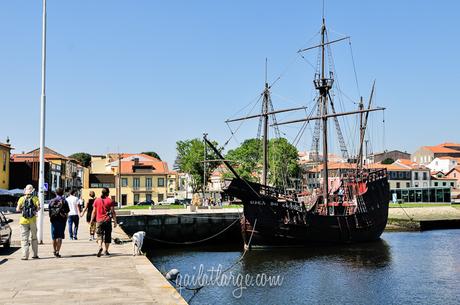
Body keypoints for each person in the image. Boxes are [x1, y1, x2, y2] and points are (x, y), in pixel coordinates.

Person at [90, 188, 117, 257]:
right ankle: (106, 251)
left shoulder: (97, 200)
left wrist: (92, 220)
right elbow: (113, 212)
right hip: (107, 221)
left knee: (99, 235)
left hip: (99, 221)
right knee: (108, 236)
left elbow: (94, 212)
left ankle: (100, 247)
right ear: (108, 193)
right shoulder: (110, 201)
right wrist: (115, 222)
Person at [16, 184, 40, 260]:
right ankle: (35, 255)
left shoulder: (21, 199)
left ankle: (25, 255)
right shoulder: (35, 198)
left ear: (25, 190)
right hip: (32, 221)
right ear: (32, 190)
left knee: (24, 239)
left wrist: (22, 209)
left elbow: (17, 209)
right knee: (34, 238)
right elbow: (38, 208)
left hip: (23, 221)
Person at [49, 187, 70, 257]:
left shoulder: (51, 201)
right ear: (62, 193)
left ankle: (54, 250)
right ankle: (58, 251)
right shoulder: (64, 201)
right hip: (61, 221)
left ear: (56, 193)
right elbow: (67, 212)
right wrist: (65, 219)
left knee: (54, 237)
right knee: (60, 237)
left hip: (53, 220)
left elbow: (49, 212)